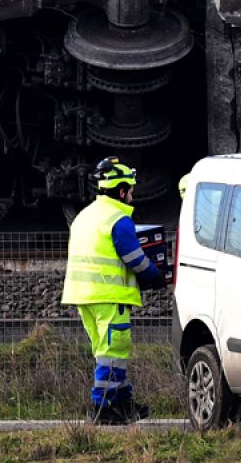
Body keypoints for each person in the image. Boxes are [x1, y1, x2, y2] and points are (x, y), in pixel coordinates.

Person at [61, 156, 165, 425]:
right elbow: (134, 258)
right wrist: (155, 276)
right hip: (109, 295)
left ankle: (123, 405)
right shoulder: (118, 220)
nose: (132, 196)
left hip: (82, 295)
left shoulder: (85, 216)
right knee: (114, 351)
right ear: (121, 191)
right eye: (130, 190)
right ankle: (101, 407)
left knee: (108, 354)